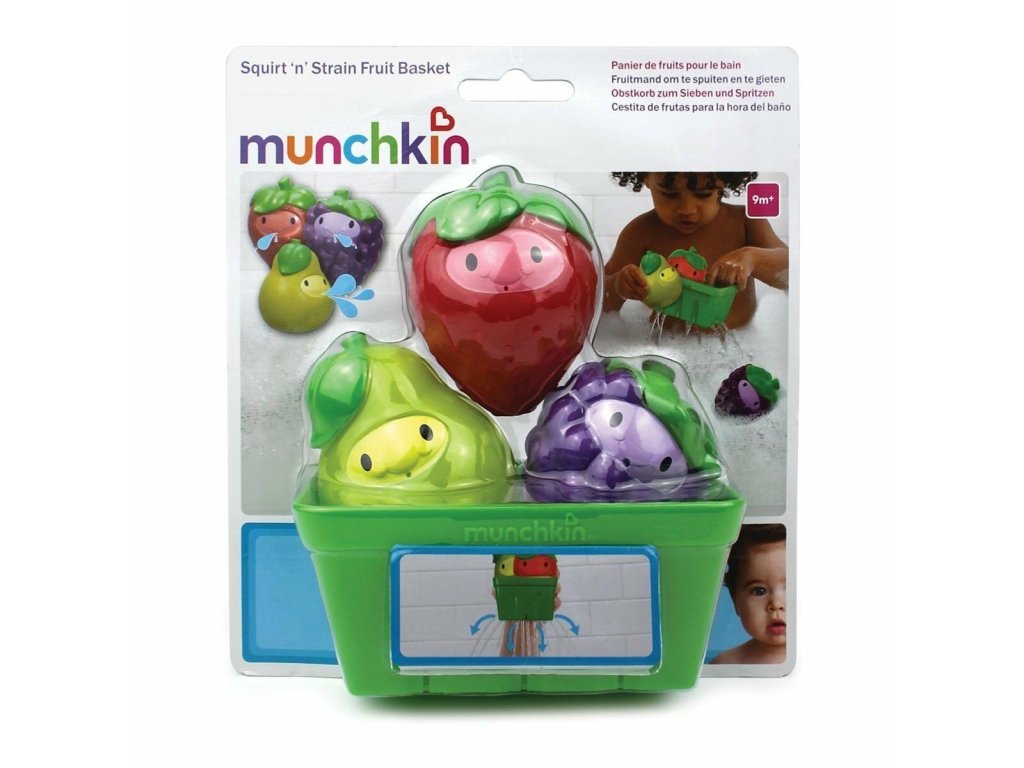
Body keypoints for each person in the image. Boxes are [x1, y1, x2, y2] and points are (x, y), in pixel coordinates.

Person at [603, 172, 789, 329]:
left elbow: (792, 275)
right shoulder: (640, 233)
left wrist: (754, 258)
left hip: (742, 348)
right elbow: (599, 303)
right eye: (669, 194)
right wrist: (619, 286)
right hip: (665, 350)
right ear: (646, 179)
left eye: (703, 194)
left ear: (724, 182)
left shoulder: (745, 222)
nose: (687, 209)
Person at [711, 523, 786, 664]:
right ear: (735, 600)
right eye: (759, 591)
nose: (776, 604)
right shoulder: (727, 663)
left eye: (790, 587)